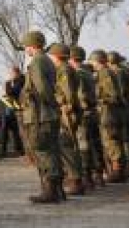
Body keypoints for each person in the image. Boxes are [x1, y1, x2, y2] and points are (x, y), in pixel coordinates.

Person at [20, 30, 62, 204]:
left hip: (40, 115)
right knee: (51, 150)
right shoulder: (47, 61)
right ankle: (56, 190)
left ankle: (50, 191)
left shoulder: (37, 62)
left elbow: (42, 88)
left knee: (43, 151)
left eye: (26, 46)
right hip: (47, 114)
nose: (25, 50)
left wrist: (49, 103)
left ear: (32, 46)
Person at [48, 43, 85, 195]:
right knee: (67, 145)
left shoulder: (63, 69)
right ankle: (73, 178)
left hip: (66, 112)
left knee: (67, 146)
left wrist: (64, 104)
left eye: (51, 55)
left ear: (56, 55)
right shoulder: (65, 68)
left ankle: (75, 181)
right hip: (66, 110)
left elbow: (67, 92)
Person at [69, 46, 104, 189]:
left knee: (83, 146)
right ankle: (99, 175)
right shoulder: (89, 73)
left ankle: (87, 177)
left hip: (84, 114)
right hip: (93, 113)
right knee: (95, 144)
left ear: (72, 58)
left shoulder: (78, 74)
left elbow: (81, 96)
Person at [90, 50, 125, 183]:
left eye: (93, 61)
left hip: (109, 112)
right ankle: (118, 170)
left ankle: (117, 172)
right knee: (114, 141)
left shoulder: (104, 73)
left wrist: (98, 100)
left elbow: (112, 95)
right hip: (111, 112)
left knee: (111, 142)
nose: (92, 64)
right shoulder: (109, 71)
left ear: (97, 61)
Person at [106, 51, 129, 181]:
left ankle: (122, 171)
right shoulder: (124, 70)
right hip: (124, 107)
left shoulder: (118, 73)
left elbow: (119, 92)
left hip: (120, 108)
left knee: (120, 139)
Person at [0, 82, 24, 159]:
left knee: (16, 136)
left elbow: (18, 108)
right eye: (5, 88)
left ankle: (20, 151)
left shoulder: (13, 98)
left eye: (7, 87)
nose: (6, 89)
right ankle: (2, 152)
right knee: (3, 137)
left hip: (13, 119)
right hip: (4, 120)